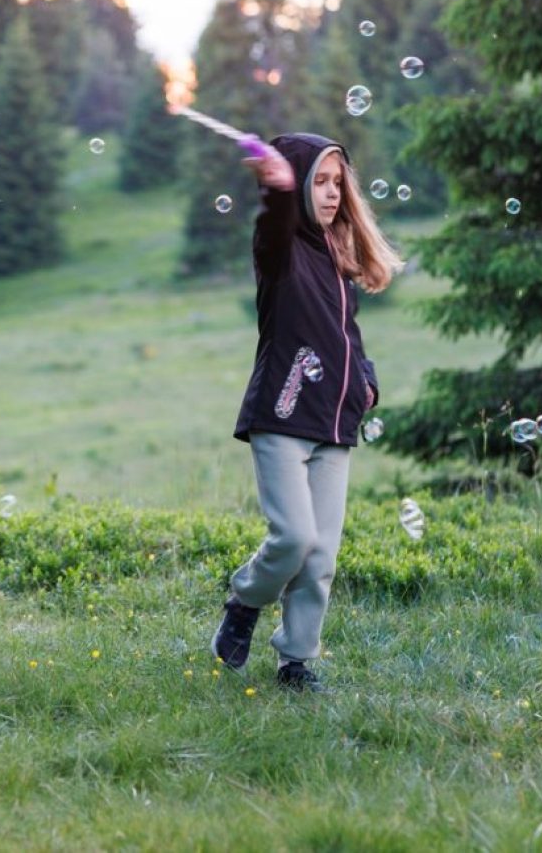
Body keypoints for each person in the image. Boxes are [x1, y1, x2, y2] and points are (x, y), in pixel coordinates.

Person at [211, 133, 402, 692]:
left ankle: (296, 662)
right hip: (283, 414)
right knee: (293, 538)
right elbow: (273, 233)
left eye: (337, 183)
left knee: (321, 556)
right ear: (297, 187)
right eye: (318, 182)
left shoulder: (337, 260)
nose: (331, 194)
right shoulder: (281, 253)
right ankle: (245, 601)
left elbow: (348, 336)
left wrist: (367, 382)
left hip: (335, 425)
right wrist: (276, 194)